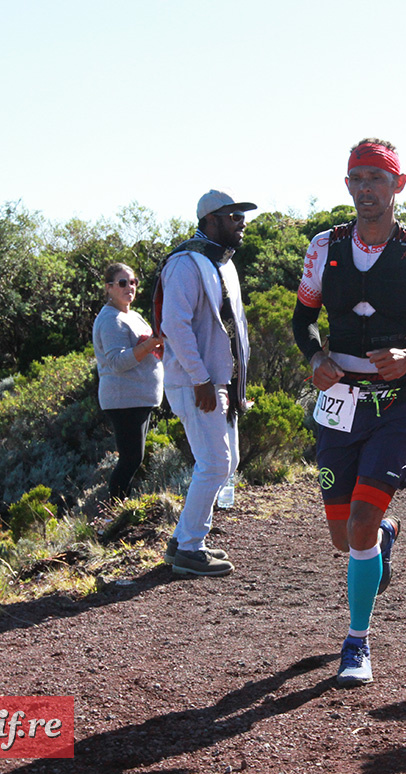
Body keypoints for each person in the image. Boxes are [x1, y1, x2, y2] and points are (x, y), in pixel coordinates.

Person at [291, 138, 406, 687]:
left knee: (359, 523)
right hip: (338, 406)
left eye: (378, 178)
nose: (367, 188)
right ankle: (384, 536)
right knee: (342, 535)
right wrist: (315, 357)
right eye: (358, 178)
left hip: (396, 406)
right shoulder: (322, 247)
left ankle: (357, 642)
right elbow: (302, 320)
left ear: (399, 186)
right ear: (346, 184)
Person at [155, 189, 257, 577]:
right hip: (194, 383)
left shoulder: (221, 263)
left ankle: (183, 540)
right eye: (233, 216)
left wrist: (231, 385)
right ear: (210, 220)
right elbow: (175, 327)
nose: (242, 223)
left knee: (221, 462)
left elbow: (228, 328)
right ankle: (190, 547)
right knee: (215, 463)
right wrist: (201, 379)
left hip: (215, 383)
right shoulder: (185, 264)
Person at [92, 263, 163, 501]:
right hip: (124, 400)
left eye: (133, 282)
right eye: (123, 283)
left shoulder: (131, 315)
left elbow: (144, 346)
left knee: (134, 458)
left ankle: (119, 509)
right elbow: (116, 361)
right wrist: (149, 344)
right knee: (131, 459)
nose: (129, 287)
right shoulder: (111, 319)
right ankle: (114, 511)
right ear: (109, 288)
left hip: (139, 399)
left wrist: (154, 345)